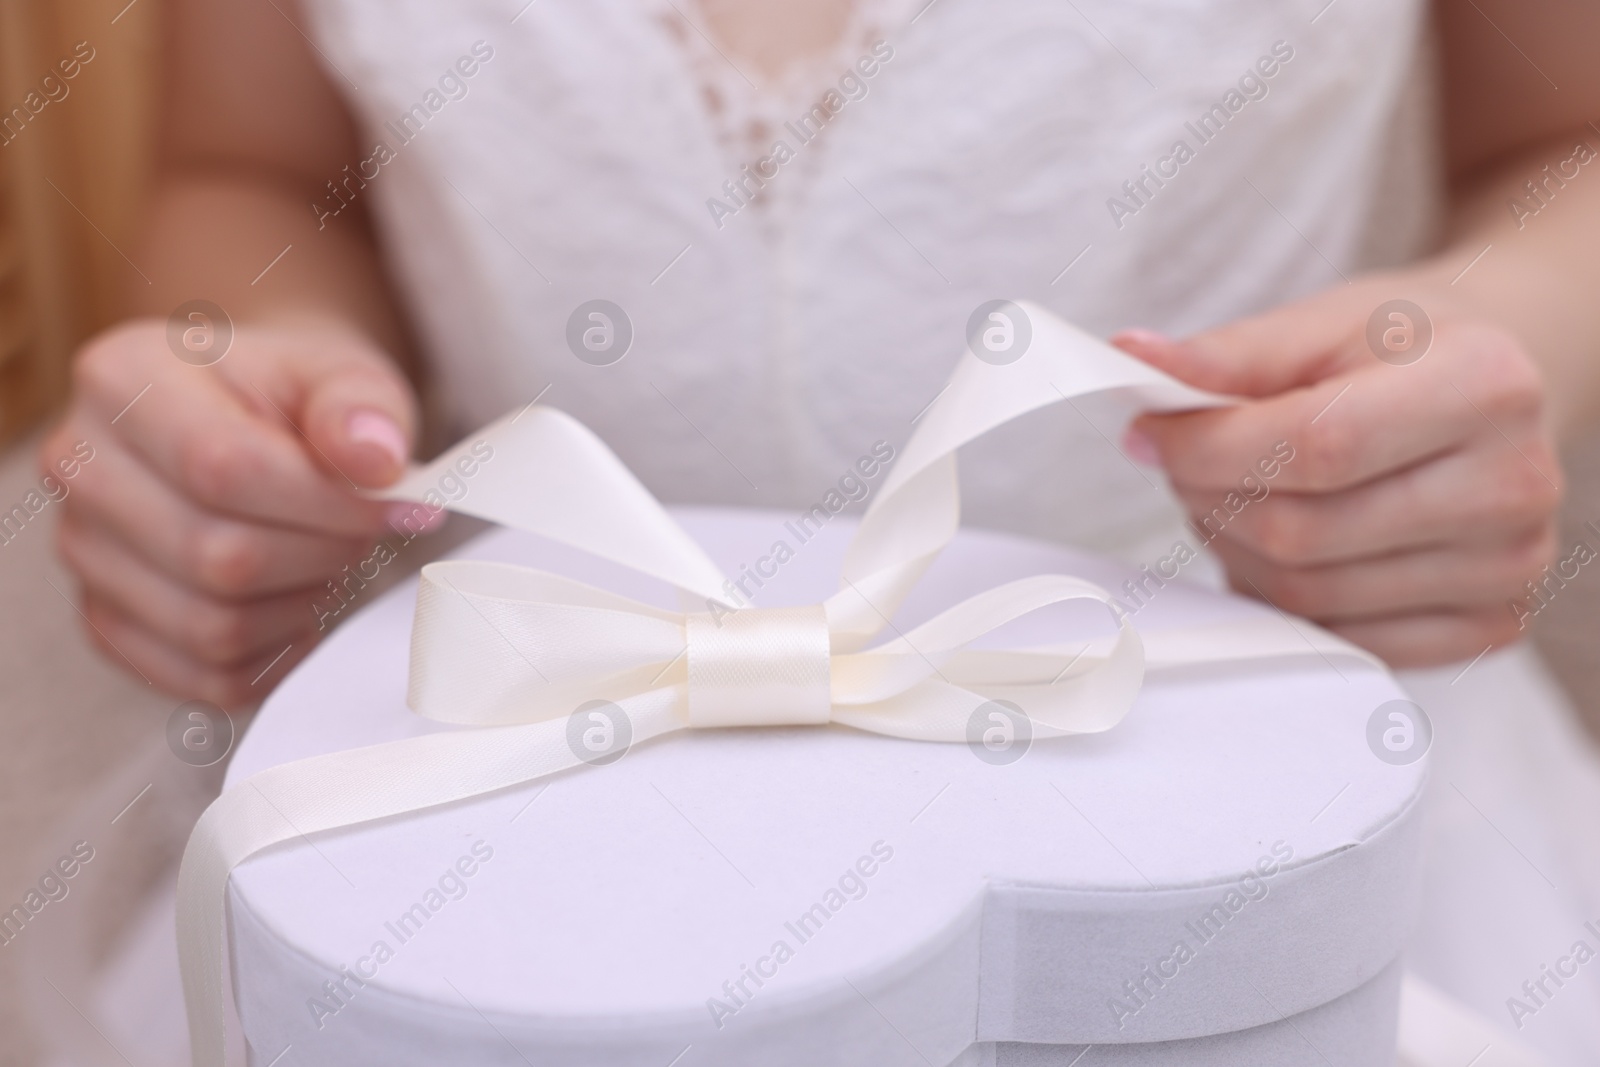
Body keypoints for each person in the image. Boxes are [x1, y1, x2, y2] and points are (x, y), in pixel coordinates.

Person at [37, 0, 1600, 1060]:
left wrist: (1482, 336)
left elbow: (1566, 140)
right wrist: (255, 381)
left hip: (1240, 751)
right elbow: (250, 171)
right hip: (494, 763)